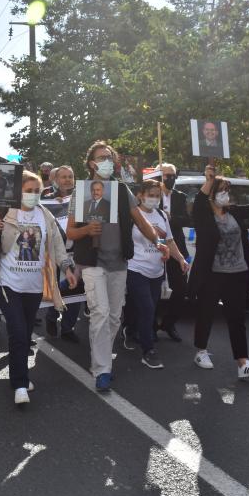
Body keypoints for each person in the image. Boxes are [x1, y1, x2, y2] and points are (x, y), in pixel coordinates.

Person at [66, 141, 167, 393]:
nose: (108, 161)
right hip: (92, 262)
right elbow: (70, 231)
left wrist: (158, 242)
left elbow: (140, 220)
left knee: (113, 316)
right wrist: (87, 230)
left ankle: (101, 353)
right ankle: (102, 369)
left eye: (110, 157)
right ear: (92, 163)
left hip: (119, 262)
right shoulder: (83, 192)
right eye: (102, 157)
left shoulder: (122, 191)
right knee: (99, 313)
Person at [0, 170, 77, 405]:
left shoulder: (45, 216)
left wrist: (67, 268)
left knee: (25, 334)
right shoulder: (5, 213)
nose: (33, 195)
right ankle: (20, 384)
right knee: (17, 332)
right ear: (18, 192)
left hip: (34, 286)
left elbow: (57, 245)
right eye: (28, 191)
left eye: (37, 191)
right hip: (7, 284)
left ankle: (21, 375)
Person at [189, 166, 249, 378]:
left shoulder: (235, 212)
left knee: (237, 318)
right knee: (206, 313)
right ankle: (201, 351)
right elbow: (199, 202)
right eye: (221, 190)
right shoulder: (203, 215)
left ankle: (243, 363)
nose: (226, 194)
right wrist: (209, 180)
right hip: (212, 274)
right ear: (212, 195)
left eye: (227, 190)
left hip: (237, 273)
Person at [124, 179, 188, 369]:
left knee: (145, 308)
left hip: (157, 271)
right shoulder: (133, 215)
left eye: (157, 195)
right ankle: (148, 351)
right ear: (140, 196)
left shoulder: (161, 215)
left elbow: (169, 241)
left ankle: (129, 328)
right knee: (148, 309)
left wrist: (181, 259)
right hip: (136, 269)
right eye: (150, 195)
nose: (154, 199)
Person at [42, 165, 82, 343]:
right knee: (57, 287)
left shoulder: (81, 200)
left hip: (77, 253)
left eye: (70, 176)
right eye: (63, 177)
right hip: (55, 254)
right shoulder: (45, 200)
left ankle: (68, 327)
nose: (67, 180)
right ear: (55, 180)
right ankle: (51, 315)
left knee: (75, 290)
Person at [155, 163, 190, 340]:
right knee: (153, 287)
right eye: (165, 175)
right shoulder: (152, 195)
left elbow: (186, 219)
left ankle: (169, 323)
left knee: (181, 287)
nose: (169, 178)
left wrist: (171, 218)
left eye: (172, 175)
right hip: (155, 247)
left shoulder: (180, 197)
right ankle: (150, 325)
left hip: (176, 245)